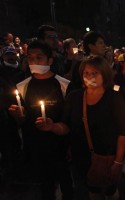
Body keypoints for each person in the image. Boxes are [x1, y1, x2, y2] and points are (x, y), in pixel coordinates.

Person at [39, 56, 125, 200]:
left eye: (94, 73)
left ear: (104, 74)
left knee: (109, 191)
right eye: (86, 73)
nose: (89, 77)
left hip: (107, 157)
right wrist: (53, 127)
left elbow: (123, 132)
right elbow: (66, 126)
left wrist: (118, 162)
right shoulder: (74, 97)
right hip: (81, 157)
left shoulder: (114, 98)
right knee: (91, 191)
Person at [8, 40, 73, 200]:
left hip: (60, 145)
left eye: (39, 58)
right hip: (37, 145)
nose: (34, 62)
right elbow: (23, 120)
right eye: (30, 58)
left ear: (50, 61)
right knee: (45, 185)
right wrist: (19, 116)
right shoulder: (23, 86)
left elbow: (70, 118)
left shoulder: (63, 85)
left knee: (67, 182)